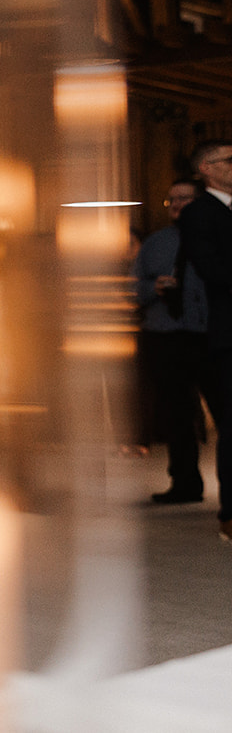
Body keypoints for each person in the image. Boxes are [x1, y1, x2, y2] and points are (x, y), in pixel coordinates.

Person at [133, 179, 209, 503]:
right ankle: (185, 484)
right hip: (165, 334)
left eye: (184, 198)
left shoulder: (215, 238)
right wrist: (155, 288)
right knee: (176, 415)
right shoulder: (155, 243)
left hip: (207, 333)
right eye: (171, 200)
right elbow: (133, 289)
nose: (177, 204)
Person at [175, 138, 232, 544]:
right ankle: (231, 515)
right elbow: (213, 269)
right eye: (231, 160)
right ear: (207, 168)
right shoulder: (200, 213)